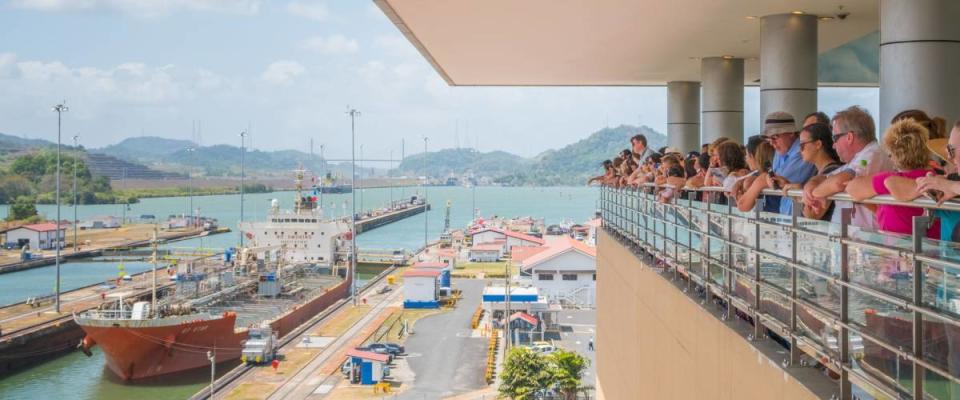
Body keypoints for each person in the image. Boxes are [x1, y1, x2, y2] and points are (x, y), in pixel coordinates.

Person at [844, 119, 941, 238]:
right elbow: (892, 213)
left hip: (899, 251)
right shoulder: (936, 179)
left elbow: (851, 188)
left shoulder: (889, 180)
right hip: (933, 251)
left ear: (893, 154)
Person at [805, 106, 895, 230]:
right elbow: (826, 177)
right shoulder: (858, 158)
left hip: (869, 241)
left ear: (849, 137)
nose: (833, 145)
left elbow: (840, 181)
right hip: (853, 241)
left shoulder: (872, 154)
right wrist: (812, 183)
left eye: (835, 138)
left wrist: (813, 194)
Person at [764, 123, 844, 220]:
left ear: (818, 144)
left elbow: (811, 214)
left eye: (802, 145)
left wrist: (800, 193)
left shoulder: (832, 171)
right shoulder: (818, 171)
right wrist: (789, 185)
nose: (799, 149)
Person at [765, 111, 817, 215]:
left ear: (791, 133)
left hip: (803, 217)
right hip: (787, 214)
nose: (772, 143)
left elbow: (777, 180)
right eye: (768, 139)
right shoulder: (780, 150)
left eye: (775, 137)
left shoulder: (802, 151)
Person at [916, 120, 960, 241]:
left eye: (951, 149)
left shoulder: (951, 183)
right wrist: (930, 186)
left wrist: (949, 186)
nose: (949, 157)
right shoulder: (952, 180)